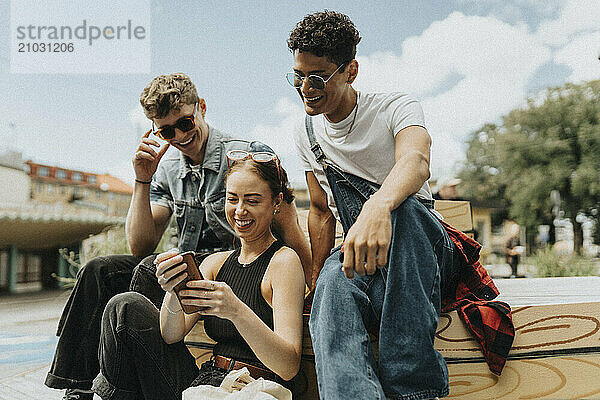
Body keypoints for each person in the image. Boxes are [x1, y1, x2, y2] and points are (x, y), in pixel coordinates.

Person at [286, 11, 513, 399]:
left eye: (318, 77)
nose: (306, 87)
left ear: (350, 71)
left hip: (426, 249)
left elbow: (416, 162)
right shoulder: (306, 131)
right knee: (333, 285)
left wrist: (378, 206)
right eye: (297, 76)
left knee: (405, 211)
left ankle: (413, 391)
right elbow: (321, 214)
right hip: (367, 258)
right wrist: (314, 279)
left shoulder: (395, 107)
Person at [46, 73, 310, 400]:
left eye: (185, 124)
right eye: (167, 131)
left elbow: (283, 218)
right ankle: (77, 386)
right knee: (98, 271)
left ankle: (114, 386)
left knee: (145, 269)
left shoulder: (243, 159)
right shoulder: (167, 166)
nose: (179, 136)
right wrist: (142, 180)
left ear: (201, 108)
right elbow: (141, 245)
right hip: (195, 268)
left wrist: (306, 277)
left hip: (224, 267)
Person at [91, 152, 305, 400]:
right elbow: (172, 334)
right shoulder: (216, 263)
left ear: (276, 202)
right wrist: (174, 289)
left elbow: (288, 366)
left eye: (253, 201)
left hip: (253, 387)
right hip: (206, 381)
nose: (239, 210)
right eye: (232, 199)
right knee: (124, 305)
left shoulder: (284, 262)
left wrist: (236, 310)